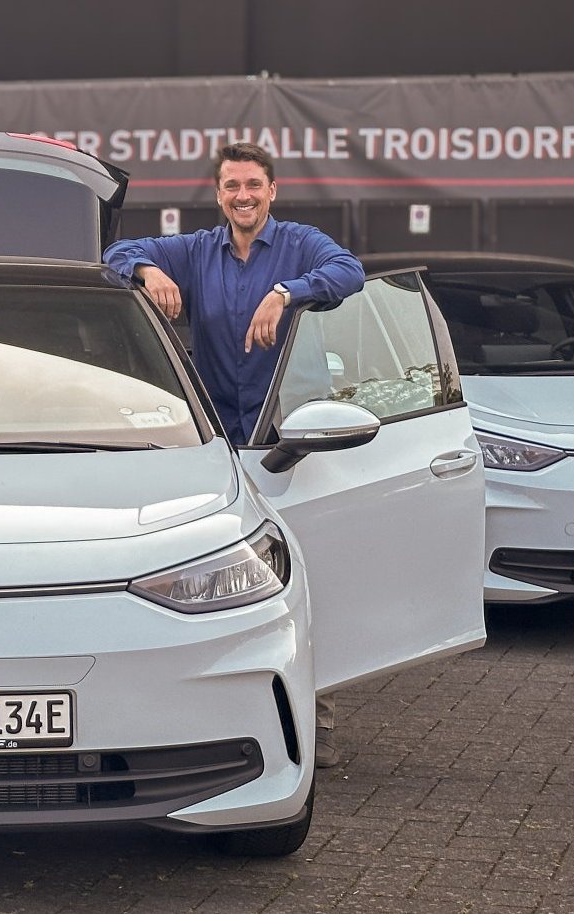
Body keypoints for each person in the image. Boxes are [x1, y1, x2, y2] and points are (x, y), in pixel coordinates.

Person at [103, 142, 364, 766]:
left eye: (252, 185)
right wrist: (148, 272)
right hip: (222, 444)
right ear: (219, 195)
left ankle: (317, 719)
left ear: (272, 191)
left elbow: (350, 271)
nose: (242, 196)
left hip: (290, 441)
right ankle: (224, 707)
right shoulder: (197, 251)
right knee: (226, 576)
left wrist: (286, 292)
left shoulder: (300, 244)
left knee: (301, 575)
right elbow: (115, 253)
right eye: (231, 187)